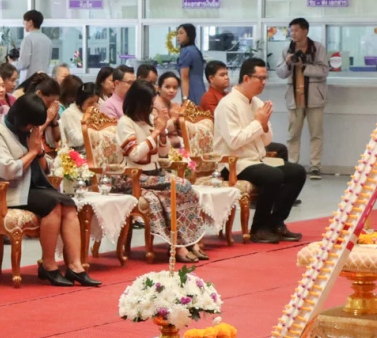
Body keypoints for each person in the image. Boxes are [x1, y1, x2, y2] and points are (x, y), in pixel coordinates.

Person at [0, 93, 99, 288]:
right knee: (52, 205)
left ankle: (75, 266)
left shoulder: (30, 132)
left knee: (69, 204)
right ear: (20, 117)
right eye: (30, 124)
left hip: (31, 187)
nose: (32, 128)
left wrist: (38, 152)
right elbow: (8, 171)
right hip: (7, 192)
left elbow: (44, 168)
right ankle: (48, 265)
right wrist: (31, 151)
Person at [119, 80, 213, 263]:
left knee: (186, 187)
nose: (151, 109)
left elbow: (163, 153)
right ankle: (179, 246)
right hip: (136, 177)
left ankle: (189, 242)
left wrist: (161, 133)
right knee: (174, 189)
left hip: (155, 175)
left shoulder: (148, 122)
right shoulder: (126, 122)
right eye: (149, 105)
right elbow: (135, 154)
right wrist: (156, 133)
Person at [215, 58, 307, 243]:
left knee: (297, 172)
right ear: (247, 78)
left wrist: (263, 126)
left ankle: (276, 222)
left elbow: (267, 140)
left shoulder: (256, 102)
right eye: (260, 78)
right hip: (233, 162)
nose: (264, 82)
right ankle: (259, 228)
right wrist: (258, 123)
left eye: (266, 78)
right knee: (273, 176)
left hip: (255, 159)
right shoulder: (228, 104)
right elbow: (234, 141)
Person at [285, 17, 329, 178]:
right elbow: (280, 73)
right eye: (291, 31)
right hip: (294, 98)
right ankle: (292, 164)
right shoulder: (287, 49)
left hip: (314, 98)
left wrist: (304, 67)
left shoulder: (318, 48)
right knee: (293, 134)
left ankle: (315, 166)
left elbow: (324, 71)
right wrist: (288, 63)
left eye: (296, 30)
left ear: (305, 31)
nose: (293, 34)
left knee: (316, 133)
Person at [14, 10, 53, 79]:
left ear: (30, 22)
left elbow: (23, 64)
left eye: (24, 22)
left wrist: (12, 64)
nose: (24, 24)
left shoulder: (28, 39)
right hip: (43, 80)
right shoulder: (48, 40)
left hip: (29, 81)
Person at [59, 81, 97, 150]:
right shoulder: (69, 114)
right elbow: (77, 141)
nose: (94, 106)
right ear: (80, 101)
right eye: (90, 103)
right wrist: (94, 129)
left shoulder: (96, 111)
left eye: (96, 102)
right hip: (78, 153)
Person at [174, 24, 207, 106]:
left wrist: (185, 99)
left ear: (189, 35)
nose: (178, 36)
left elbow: (184, 77)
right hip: (201, 89)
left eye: (181, 33)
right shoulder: (195, 50)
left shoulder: (187, 51)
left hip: (191, 90)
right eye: (177, 33)